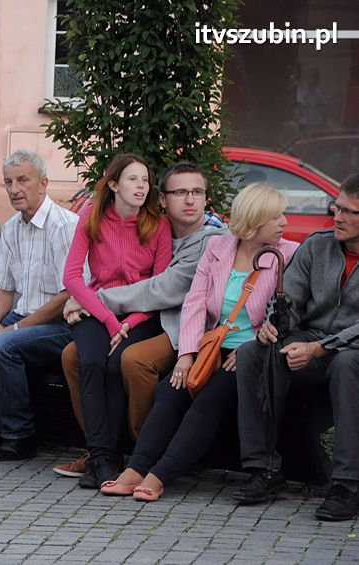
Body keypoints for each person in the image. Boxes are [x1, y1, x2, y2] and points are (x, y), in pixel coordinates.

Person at [99, 182, 297, 502]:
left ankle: (160, 476)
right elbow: (194, 303)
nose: (284, 223)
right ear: (255, 219)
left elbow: (289, 313)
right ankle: (136, 467)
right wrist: (186, 355)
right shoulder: (218, 248)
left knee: (209, 400)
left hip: (251, 354)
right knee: (170, 390)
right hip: (212, 347)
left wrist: (255, 349)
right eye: (276, 216)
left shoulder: (288, 254)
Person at [52, 163, 227, 478]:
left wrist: (95, 303)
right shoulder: (154, 224)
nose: (190, 200)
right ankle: (100, 450)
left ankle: (142, 449)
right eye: (181, 193)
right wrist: (101, 311)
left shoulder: (210, 239)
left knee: (129, 360)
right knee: (72, 356)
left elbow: (161, 288)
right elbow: (75, 273)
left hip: (183, 326)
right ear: (164, 199)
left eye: (197, 192)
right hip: (139, 314)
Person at [232, 173, 359, 521]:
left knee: (348, 363)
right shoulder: (317, 245)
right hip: (313, 341)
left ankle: (346, 486)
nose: (338, 217)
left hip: (351, 351)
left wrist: (321, 349)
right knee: (252, 354)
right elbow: (290, 299)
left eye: (349, 212)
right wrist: (273, 326)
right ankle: (265, 468)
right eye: (337, 207)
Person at [0, 149, 78, 461]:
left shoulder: (64, 226)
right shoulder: (11, 228)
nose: (14, 188)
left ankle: (19, 435)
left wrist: (15, 328)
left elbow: (67, 295)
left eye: (23, 180)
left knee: (3, 346)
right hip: (23, 316)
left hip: (62, 324)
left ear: (43, 183)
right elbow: (4, 288)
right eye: (8, 182)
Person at [62, 153, 172, 489]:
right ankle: (101, 459)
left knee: (115, 366)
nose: (141, 187)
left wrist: (131, 321)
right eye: (132, 179)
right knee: (92, 361)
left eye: (145, 180)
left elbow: (161, 284)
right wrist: (110, 321)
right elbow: (72, 277)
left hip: (142, 315)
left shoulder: (158, 224)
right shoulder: (91, 218)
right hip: (99, 309)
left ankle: (114, 454)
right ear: (113, 184)